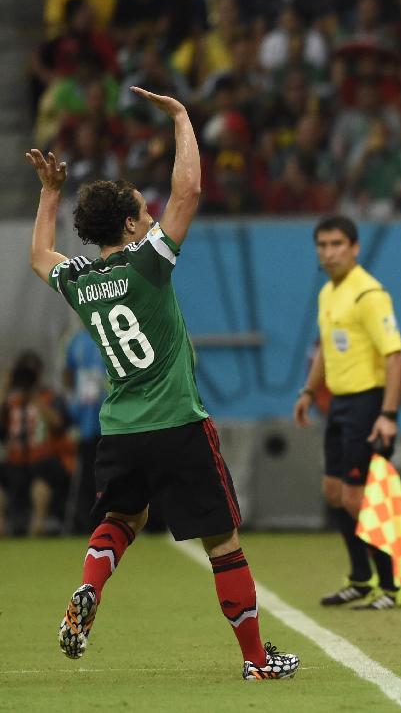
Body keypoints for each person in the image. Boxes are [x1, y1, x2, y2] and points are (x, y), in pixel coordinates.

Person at [25, 88, 299, 681]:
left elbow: (40, 257)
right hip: (177, 420)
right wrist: (181, 118)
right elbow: (189, 191)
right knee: (222, 542)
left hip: (120, 429)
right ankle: (257, 662)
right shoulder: (149, 262)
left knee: (122, 519)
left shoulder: (80, 280)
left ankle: (89, 587)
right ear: (128, 224)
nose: (152, 213)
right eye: (141, 211)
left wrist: (49, 192)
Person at [293, 215, 401, 611]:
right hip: (338, 405)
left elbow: (394, 357)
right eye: (322, 245)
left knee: (358, 498)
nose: (329, 252)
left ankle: (391, 586)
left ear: (355, 247)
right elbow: (326, 346)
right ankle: (360, 579)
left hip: (367, 403)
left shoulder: (369, 294)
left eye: (337, 244)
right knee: (334, 493)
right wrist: (309, 390)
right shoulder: (329, 293)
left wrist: (388, 414)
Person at [0, 350, 74, 536]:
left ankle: (38, 525)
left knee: (42, 478)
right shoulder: (9, 401)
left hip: (42, 459)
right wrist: (5, 388)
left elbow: (59, 424)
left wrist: (35, 398)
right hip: (14, 460)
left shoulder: (50, 397)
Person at [62, 327, 105, 533]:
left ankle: (115, 519)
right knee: (88, 472)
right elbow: (68, 372)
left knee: (110, 472)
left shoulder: (112, 331)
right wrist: (72, 399)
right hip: (86, 418)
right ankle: (87, 522)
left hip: (110, 417)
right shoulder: (76, 340)